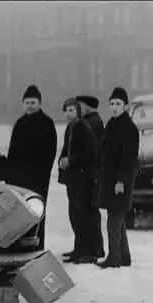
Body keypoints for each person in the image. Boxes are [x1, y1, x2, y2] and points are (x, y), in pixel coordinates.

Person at [5, 85, 58, 250]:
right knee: (20, 213)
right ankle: (20, 247)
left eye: (33, 102)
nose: (30, 105)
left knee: (37, 212)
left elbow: (50, 152)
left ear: (40, 103)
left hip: (38, 179)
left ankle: (38, 245)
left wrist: (42, 173)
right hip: (19, 179)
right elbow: (12, 152)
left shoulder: (47, 123)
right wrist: (10, 175)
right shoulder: (19, 124)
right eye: (27, 102)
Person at [96, 87, 139, 268]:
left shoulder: (129, 128)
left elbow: (128, 158)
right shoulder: (110, 125)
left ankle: (114, 257)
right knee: (117, 218)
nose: (114, 107)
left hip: (120, 182)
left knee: (114, 220)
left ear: (126, 106)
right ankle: (124, 256)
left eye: (118, 104)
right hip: (109, 179)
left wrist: (121, 181)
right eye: (112, 104)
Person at [57, 97, 98, 264]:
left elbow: (90, 153)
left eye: (71, 110)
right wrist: (61, 161)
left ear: (78, 112)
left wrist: (71, 161)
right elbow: (66, 149)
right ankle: (78, 249)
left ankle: (88, 251)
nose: (68, 114)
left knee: (83, 214)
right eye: (66, 110)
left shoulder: (84, 129)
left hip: (83, 178)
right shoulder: (70, 128)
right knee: (74, 214)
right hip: (72, 178)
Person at [75, 95, 105, 258]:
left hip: (90, 174)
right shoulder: (92, 122)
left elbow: (92, 150)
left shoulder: (92, 123)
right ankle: (89, 249)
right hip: (89, 174)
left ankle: (93, 250)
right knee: (87, 212)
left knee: (89, 213)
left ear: (86, 107)